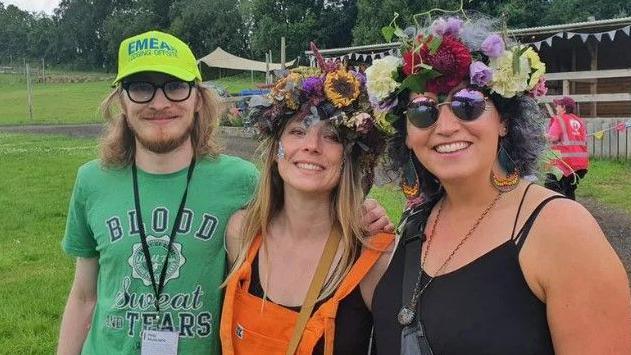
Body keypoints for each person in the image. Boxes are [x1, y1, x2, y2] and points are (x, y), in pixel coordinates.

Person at [57, 31, 392, 355]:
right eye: (140, 87)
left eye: (175, 86)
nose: (159, 103)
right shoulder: (92, 182)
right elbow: (85, 297)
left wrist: (360, 209)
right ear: (122, 101)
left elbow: (302, 198)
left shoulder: (240, 181)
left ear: (198, 99)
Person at [364, 15, 631, 354]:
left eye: (468, 104)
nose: (445, 126)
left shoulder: (562, 230)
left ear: (504, 120)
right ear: (408, 135)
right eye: (422, 111)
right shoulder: (413, 224)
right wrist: (353, 234)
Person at [220, 50, 395, 355]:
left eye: (332, 137)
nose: (311, 147)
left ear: (349, 158)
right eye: (298, 131)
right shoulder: (242, 233)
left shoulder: (374, 256)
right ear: (277, 150)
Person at [544, 96, 589, 200]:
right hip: (581, 164)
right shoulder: (580, 121)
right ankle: (571, 212)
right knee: (568, 189)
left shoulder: (559, 119)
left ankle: (558, 212)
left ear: (563, 107)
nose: (556, 108)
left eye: (557, 106)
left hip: (564, 163)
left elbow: (552, 137)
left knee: (552, 187)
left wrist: (540, 135)